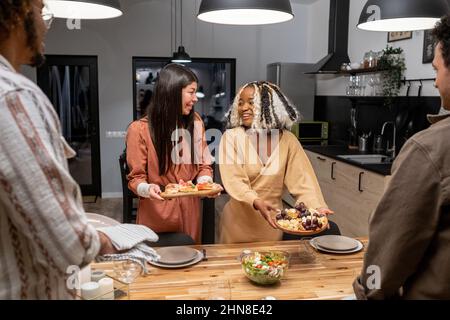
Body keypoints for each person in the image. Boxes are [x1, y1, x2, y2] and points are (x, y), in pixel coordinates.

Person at [0, 0, 117, 299]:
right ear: (17, 11)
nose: (45, 23)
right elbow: (70, 244)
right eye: (41, 9)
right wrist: (112, 238)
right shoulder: (13, 96)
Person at [353, 15, 450, 300]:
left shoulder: (430, 148)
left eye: (436, 69)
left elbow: (388, 255)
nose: (434, 80)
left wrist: (367, 290)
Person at [218, 81, 333, 244]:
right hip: (237, 226)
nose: (243, 108)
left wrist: (316, 207)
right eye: (241, 103)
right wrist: (256, 201)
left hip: (271, 226)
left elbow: (303, 182)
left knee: (271, 266)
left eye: (251, 103)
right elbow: (234, 181)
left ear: (269, 107)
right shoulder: (231, 138)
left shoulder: (288, 140)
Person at [126, 63, 220, 243]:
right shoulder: (139, 130)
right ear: (172, 92)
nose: (195, 99)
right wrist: (147, 189)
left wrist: (204, 183)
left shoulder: (196, 122)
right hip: (157, 208)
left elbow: (204, 165)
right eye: (191, 92)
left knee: (190, 257)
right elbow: (136, 178)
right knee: (158, 264)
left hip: (190, 208)